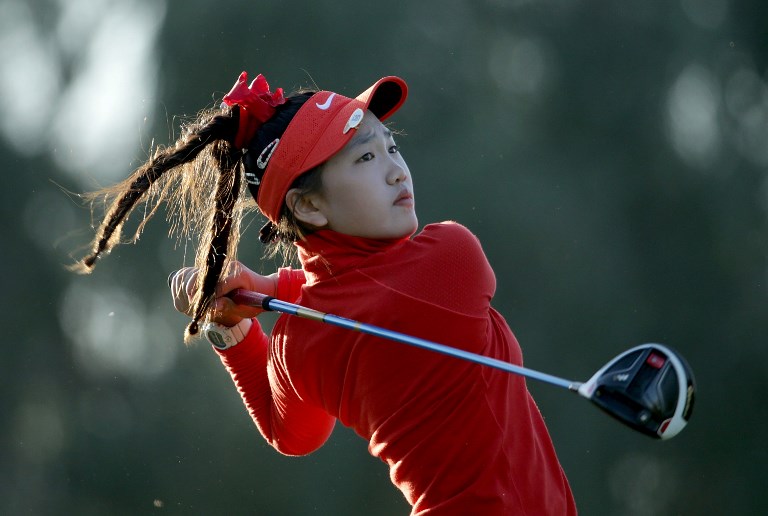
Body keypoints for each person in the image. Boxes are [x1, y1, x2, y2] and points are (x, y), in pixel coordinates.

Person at [74, 70, 577, 514]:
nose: (398, 169)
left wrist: (233, 329)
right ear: (309, 207)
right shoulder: (452, 256)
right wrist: (266, 288)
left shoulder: (298, 345)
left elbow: (293, 434)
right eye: (365, 158)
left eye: (392, 147)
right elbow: (378, 296)